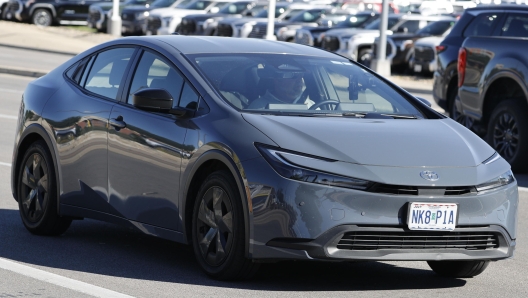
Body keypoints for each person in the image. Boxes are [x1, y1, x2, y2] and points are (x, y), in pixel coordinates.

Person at [248, 62, 313, 109]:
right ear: (278, 80)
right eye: (294, 75)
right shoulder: (259, 107)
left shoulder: (312, 105)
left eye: (301, 75)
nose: (299, 80)